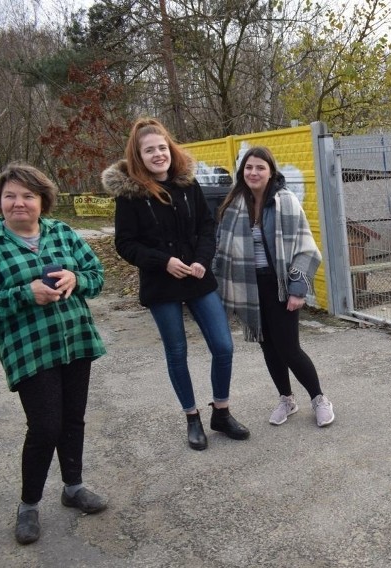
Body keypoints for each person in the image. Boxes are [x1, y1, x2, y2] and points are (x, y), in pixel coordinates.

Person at [0, 163, 108, 544]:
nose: (19, 203)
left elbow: (97, 277)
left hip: (75, 341)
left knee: (73, 419)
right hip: (29, 350)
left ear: (43, 201)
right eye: (10, 196)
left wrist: (78, 279)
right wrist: (24, 294)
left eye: (28, 196)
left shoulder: (61, 232)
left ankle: (73, 487)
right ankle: (29, 505)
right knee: (45, 427)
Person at [102, 117, 249, 450]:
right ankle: (192, 418)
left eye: (162, 147)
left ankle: (221, 412)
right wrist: (163, 262)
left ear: (170, 148)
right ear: (138, 156)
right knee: (177, 352)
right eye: (149, 150)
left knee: (224, 346)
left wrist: (201, 259)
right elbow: (125, 244)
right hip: (161, 284)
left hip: (197, 277)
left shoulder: (187, 184)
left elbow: (207, 227)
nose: (158, 154)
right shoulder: (131, 195)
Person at [214, 146, 334, 427]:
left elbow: (305, 248)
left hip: (280, 284)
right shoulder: (233, 205)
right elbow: (221, 250)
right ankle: (286, 399)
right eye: (248, 168)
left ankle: (319, 399)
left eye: (260, 167)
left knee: (289, 347)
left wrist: (297, 289)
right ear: (242, 172)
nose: (253, 172)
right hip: (250, 288)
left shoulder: (285, 201)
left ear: (270, 172)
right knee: (267, 347)